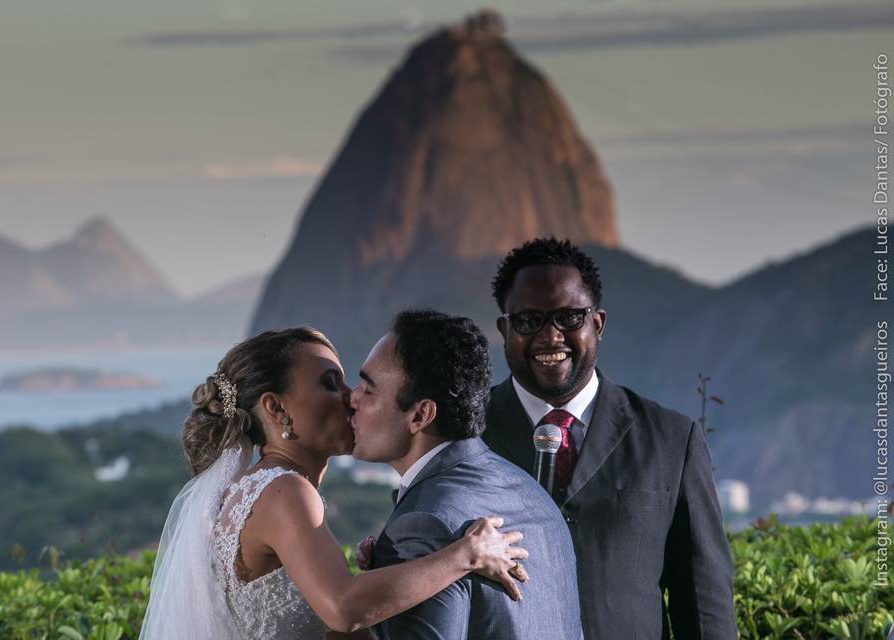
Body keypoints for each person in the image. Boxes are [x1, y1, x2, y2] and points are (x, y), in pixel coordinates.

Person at [140, 327, 528, 640]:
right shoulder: (285, 491)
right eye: (331, 384)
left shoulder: (255, 488)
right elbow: (344, 610)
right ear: (276, 408)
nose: (353, 397)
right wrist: (466, 555)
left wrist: (378, 576)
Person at [481, 238, 738, 639]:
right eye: (529, 320)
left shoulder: (672, 440)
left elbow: (704, 606)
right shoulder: (465, 432)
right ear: (504, 329)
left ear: (597, 324)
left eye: (569, 318)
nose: (551, 337)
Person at [351, 309, 583, 639]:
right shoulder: (531, 494)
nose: (352, 398)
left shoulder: (420, 528)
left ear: (420, 415)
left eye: (367, 389)